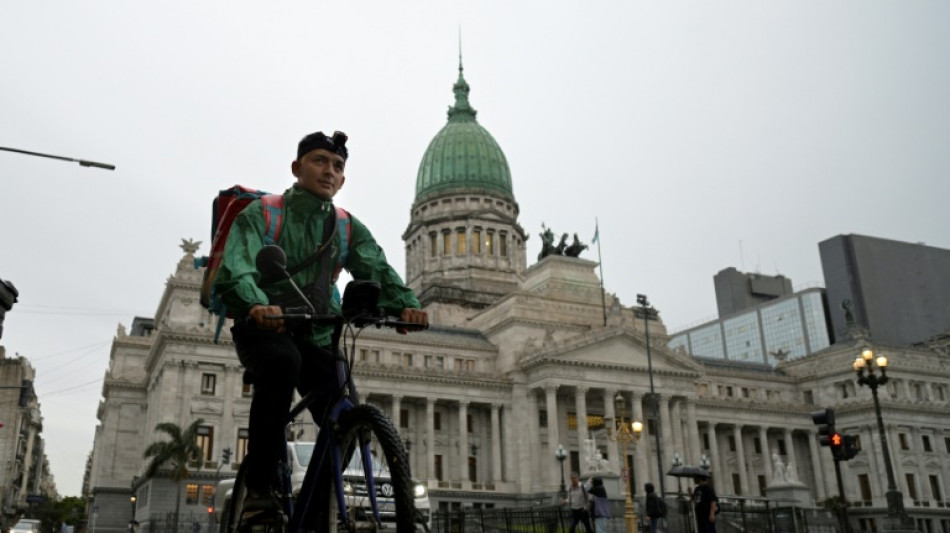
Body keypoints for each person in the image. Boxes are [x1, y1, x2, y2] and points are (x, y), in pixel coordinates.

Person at [214, 130, 428, 509]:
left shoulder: (347, 227)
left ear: (343, 179)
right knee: (283, 362)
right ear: (297, 168)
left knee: (343, 412)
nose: (329, 170)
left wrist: (406, 305)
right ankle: (260, 490)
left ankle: (314, 506)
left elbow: (377, 268)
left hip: (317, 331)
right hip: (264, 327)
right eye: (320, 161)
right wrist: (257, 304)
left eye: (338, 166)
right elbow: (238, 269)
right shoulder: (263, 213)